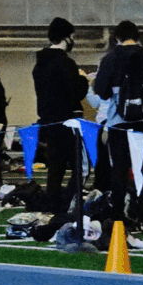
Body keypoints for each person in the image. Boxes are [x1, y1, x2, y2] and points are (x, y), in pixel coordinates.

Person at [93, 20, 143, 229]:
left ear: (116, 37)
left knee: (119, 171)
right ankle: (142, 214)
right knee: (142, 169)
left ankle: (118, 217)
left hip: (118, 123)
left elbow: (102, 91)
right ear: (138, 36)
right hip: (142, 122)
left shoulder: (109, 58)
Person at [32, 17, 88, 213]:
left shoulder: (39, 63)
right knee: (82, 166)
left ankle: (52, 202)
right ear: (67, 37)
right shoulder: (66, 62)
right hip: (67, 121)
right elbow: (76, 93)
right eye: (72, 37)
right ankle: (68, 202)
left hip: (47, 120)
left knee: (55, 167)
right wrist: (83, 79)